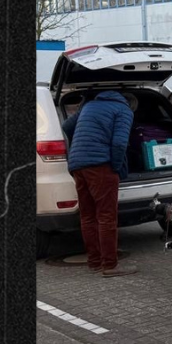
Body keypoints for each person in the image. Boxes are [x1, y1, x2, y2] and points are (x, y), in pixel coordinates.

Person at [61, 89, 137, 276]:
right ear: (130, 105)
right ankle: (110, 266)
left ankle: (94, 262)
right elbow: (119, 143)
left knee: (88, 216)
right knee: (106, 216)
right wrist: (116, 167)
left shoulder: (90, 105)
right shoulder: (123, 110)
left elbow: (67, 126)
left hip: (77, 164)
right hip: (100, 165)